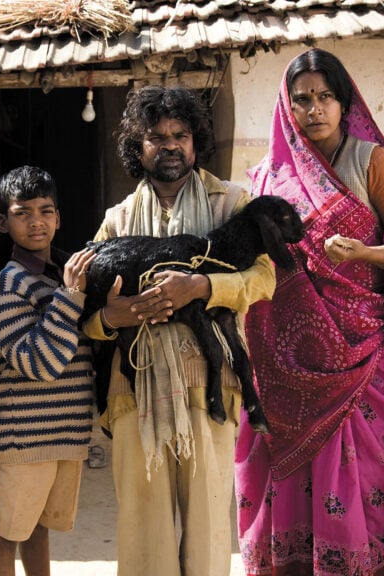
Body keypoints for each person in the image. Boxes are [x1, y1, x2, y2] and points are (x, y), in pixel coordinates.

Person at [234, 48, 384, 575]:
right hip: (284, 364)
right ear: (287, 106)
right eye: (302, 100)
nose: (314, 109)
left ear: (344, 103)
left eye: (325, 97)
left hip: (360, 354)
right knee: (287, 481)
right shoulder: (268, 177)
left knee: (358, 481)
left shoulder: (371, 162)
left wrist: (363, 254)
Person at [82, 85, 276, 576]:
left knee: (207, 529)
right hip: (133, 388)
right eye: (156, 136)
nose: (170, 145)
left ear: (196, 141)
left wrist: (202, 286)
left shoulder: (231, 203)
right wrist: (115, 318)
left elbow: (264, 279)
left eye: (180, 135)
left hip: (210, 386)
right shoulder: (116, 221)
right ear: (138, 145)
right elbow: (87, 314)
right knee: (143, 529)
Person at [0, 165, 97, 576]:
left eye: (45, 211)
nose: (36, 221)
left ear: (59, 218)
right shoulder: (12, 283)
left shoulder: (63, 275)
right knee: (8, 533)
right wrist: (71, 296)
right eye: (22, 213)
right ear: (3, 223)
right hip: (22, 435)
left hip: (62, 431)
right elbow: (37, 363)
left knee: (38, 529)